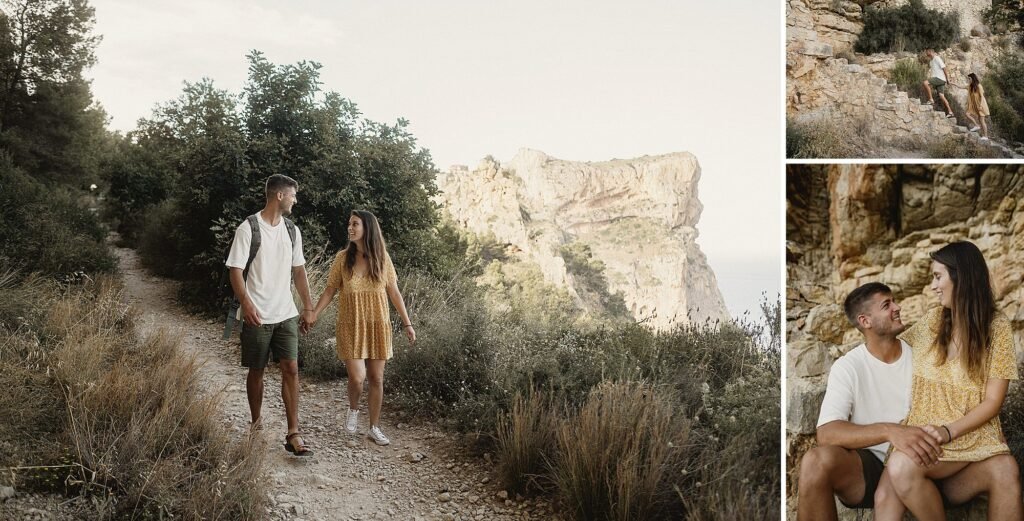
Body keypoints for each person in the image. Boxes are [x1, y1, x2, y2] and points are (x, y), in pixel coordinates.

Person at [796, 281, 1021, 521]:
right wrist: (890, 432)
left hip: (931, 459)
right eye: (886, 304)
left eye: (894, 300)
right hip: (869, 467)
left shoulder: (922, 355)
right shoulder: (849, 367)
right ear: (865, 321)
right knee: (814, 462)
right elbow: (827, 434)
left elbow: (968, 394)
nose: (897, 307)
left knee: (1003, 467)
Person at [873, 241, 1019, 521]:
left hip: (970, 440)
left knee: (1005, 468)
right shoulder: (933, 321)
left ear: (960, 277)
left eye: (938, 276)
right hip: (927, 443)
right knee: (896, 476)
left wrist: (947, 430)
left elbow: (993, 400)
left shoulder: (996, 327)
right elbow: (892, 351)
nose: (933, 286)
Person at [226, 174, 316, 456]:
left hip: (286, 312)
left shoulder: (292, 230)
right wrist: (246, 303)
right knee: (257, 370)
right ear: (279, 195)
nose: (295, 200)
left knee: (291, 368)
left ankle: (293, 433)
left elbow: (299, 271)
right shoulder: (248, 228)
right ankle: (256, 424)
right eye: (293, 195)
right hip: (257, 314)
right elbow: (235, 271)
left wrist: (308, 306)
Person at [308, 210, 415, 446]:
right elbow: (330, 290)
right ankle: (354, 409)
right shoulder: (342, 259)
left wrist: (407, 323)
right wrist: (314, 313)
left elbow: (394, 292)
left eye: (355, 223)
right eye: (349, 224)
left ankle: (374, 428)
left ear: (368, 227)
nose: (350, 227)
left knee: (376, 378)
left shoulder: (382, 258)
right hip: (351, 325)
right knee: (358, 378)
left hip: (378, 325)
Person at [922, 49, 955, 119]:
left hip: (940, 78)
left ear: (931, 52)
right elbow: (934, 71)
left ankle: (931, 100)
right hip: (938, 79)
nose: (926, 53)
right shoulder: (931, 62)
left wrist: (947, 79)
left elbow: (944, 68)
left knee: (925, 83)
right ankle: (950, 112)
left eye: (927, 52)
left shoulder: (937, 58)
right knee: (941, 96)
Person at [965, 72, 991, 141]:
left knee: (982, 121)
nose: (969, 80)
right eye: (968, 79)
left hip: (981, 105)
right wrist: (952, 83)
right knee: (967, 114)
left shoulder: (979, 86)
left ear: (973, 78)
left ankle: (985, 136)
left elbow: (982, 97)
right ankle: (977, 126)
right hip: (976, 105)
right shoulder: (970, 86)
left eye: (969, 78)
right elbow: (961, 86)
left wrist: (981, 106)